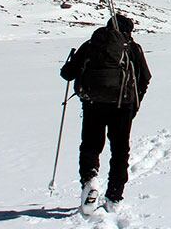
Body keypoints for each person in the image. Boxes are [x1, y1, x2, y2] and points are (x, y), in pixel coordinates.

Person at [60, 14, 151, 215]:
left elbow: (67, 73)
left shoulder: (92, 44)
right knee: (119, 151)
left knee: (91, 146)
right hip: (122, 106)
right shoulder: (132, 48)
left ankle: (90, 181)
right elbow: (145, 77)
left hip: (92, 104)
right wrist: (135, 105)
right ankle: (114, 197)